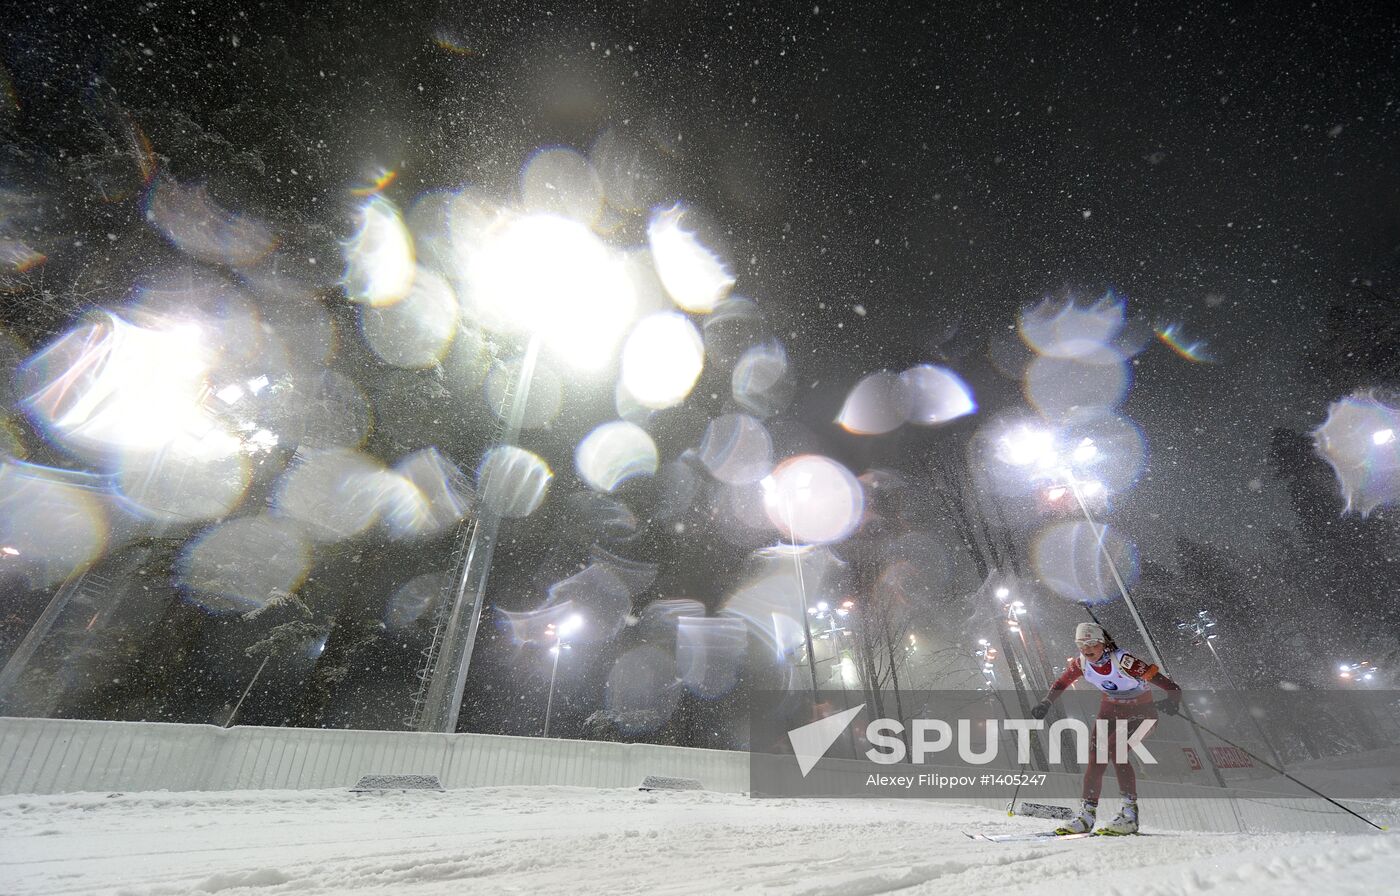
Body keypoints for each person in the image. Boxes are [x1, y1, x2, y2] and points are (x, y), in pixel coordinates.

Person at [1030, 622, 1182, 835]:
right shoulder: (1081, 664)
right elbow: (1061, 683)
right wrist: (1045, 703)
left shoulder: (1125, 662)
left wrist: (1172, 701)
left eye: (1092, 643)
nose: (1087, 648)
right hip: (1110, 712)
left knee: (1116, 750)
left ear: (1104, 643)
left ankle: (1129, 816)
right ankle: (1086, 816)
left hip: (1141, 713)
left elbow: (1170, 686)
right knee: (1095, 757)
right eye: (1081, 644)